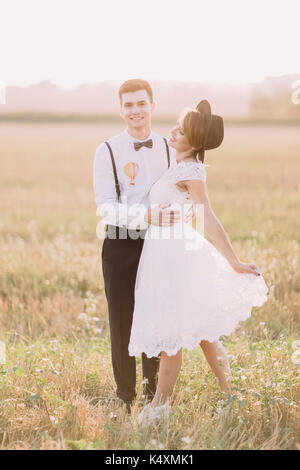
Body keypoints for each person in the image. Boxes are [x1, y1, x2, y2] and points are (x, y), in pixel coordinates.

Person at [128, 100, 269, 426]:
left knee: (173, 337)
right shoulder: (178, 163)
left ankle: (159, 411)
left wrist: (233, 262)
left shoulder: (191, 170)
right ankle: (230, 396)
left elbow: (209, 218)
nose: (173, 133)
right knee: (204, 333)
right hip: (163, 254)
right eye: (176, 126)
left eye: (182, 131)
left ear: (196, 142)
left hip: (177, 257)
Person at [93, 78, 186, 416]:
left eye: (141, 104)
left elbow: (182, 193)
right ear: (121, 109)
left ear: (152, 106)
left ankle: (151, 398)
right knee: (122, 319)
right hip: (120, 242)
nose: (135, 111)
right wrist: (145, 215)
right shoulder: (106, 150)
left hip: (160, 243)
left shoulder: (168, 147)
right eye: (128, 105)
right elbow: (105, 206)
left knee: (154, 319)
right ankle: (124, 397)